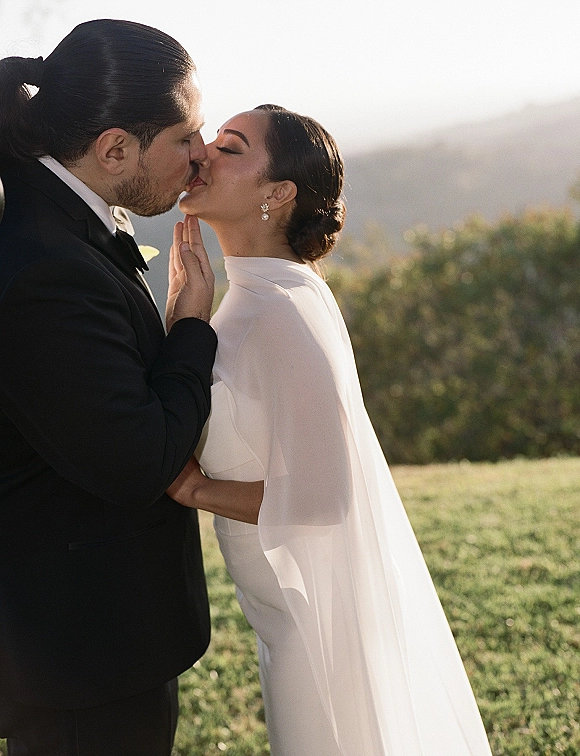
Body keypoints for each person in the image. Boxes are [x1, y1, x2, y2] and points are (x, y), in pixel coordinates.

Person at [167, 104, 494, 755]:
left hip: (313, 631)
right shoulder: (256, 293)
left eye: (230, 148)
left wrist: (193, 488)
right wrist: (184, 320)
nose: (203, 153)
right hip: (284, 613)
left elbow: (322, 497)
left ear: (278, 193)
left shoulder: (281, 308)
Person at [0, 20, 217, 756]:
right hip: (78, 662)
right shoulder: (43, 267)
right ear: (114, 148)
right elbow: (137, 463)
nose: (202, 155)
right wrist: (190, 326)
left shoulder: (55, 212)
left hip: (87, 648)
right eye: (185, 138)